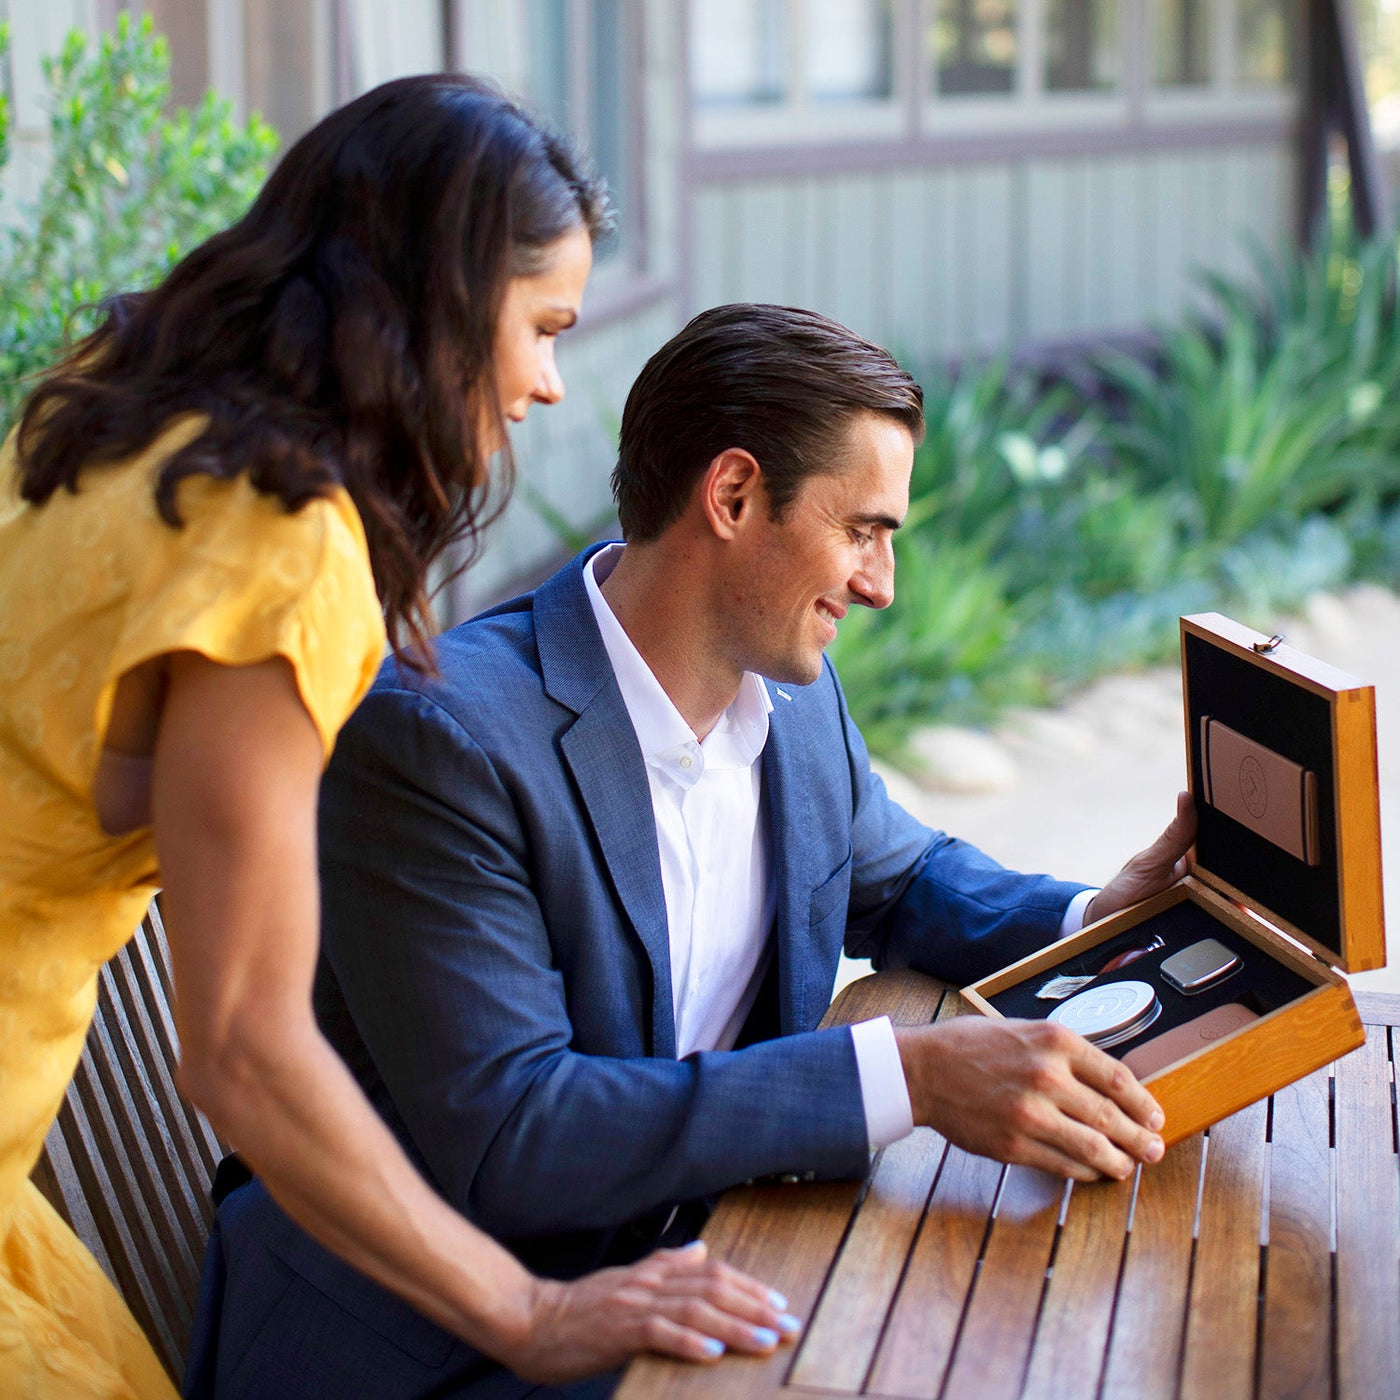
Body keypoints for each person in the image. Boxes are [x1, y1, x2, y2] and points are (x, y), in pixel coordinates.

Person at [194, 303, 1197, 1398]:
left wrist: (1093, 918)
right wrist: (904, 1074)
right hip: (430, 1343)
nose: (880, 584)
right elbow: (514, 1133)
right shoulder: (443, 741)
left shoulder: (791, 704)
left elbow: (904, 877)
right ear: (731, 496)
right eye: (861, 531)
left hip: (697, 1263)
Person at [0, 79, 797, 1400]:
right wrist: (529, 1310)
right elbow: (243, 1048)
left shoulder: (118, 422)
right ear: (442, 304)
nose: (545, 384)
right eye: (541, 328)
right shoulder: (278, 547)